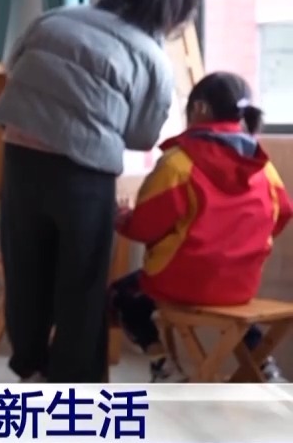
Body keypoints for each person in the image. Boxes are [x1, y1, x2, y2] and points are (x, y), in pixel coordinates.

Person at [0, 0, 199, 382]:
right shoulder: (152, 57)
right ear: (172, 18)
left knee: (25, 268)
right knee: (82, 281)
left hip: (20, 157)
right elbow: (143, 136)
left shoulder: (57, 17)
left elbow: (14, 68)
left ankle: (29, 367)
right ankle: (73, 384)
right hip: (83, 174)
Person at [110, 72, 291, 382]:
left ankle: (163, 365)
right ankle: (264, 364)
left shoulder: (179, 163)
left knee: (121, 295)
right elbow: (283, 212)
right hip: (241, 285)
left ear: (200, 108)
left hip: (180, 283)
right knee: (233, 318)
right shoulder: (263, 166)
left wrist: (121, 217)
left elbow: (143, 227)